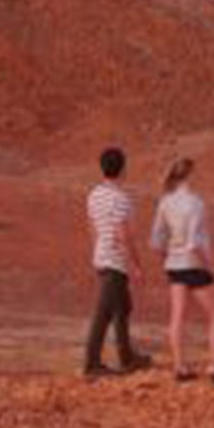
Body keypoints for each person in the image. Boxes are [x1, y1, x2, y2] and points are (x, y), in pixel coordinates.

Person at [151, 156, 214, 385]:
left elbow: (156, 240)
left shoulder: (165, 202)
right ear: (190, 175)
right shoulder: (196, 202)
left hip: (174, 265)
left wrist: (167, 260)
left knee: (177, 316)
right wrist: (209, 266)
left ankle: (180, 366)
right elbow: (195, 242)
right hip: (194, 264)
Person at [82, 146, 153, 379]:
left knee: (123, 308)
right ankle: (92, 364)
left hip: (103, 257)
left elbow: (92, 227)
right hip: (115, 262)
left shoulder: (94, 195)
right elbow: (124, 235)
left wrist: (96, 254)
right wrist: (136, 266)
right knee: (103, 313)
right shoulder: (121, 198)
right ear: (122, 169)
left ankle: (127, 356)